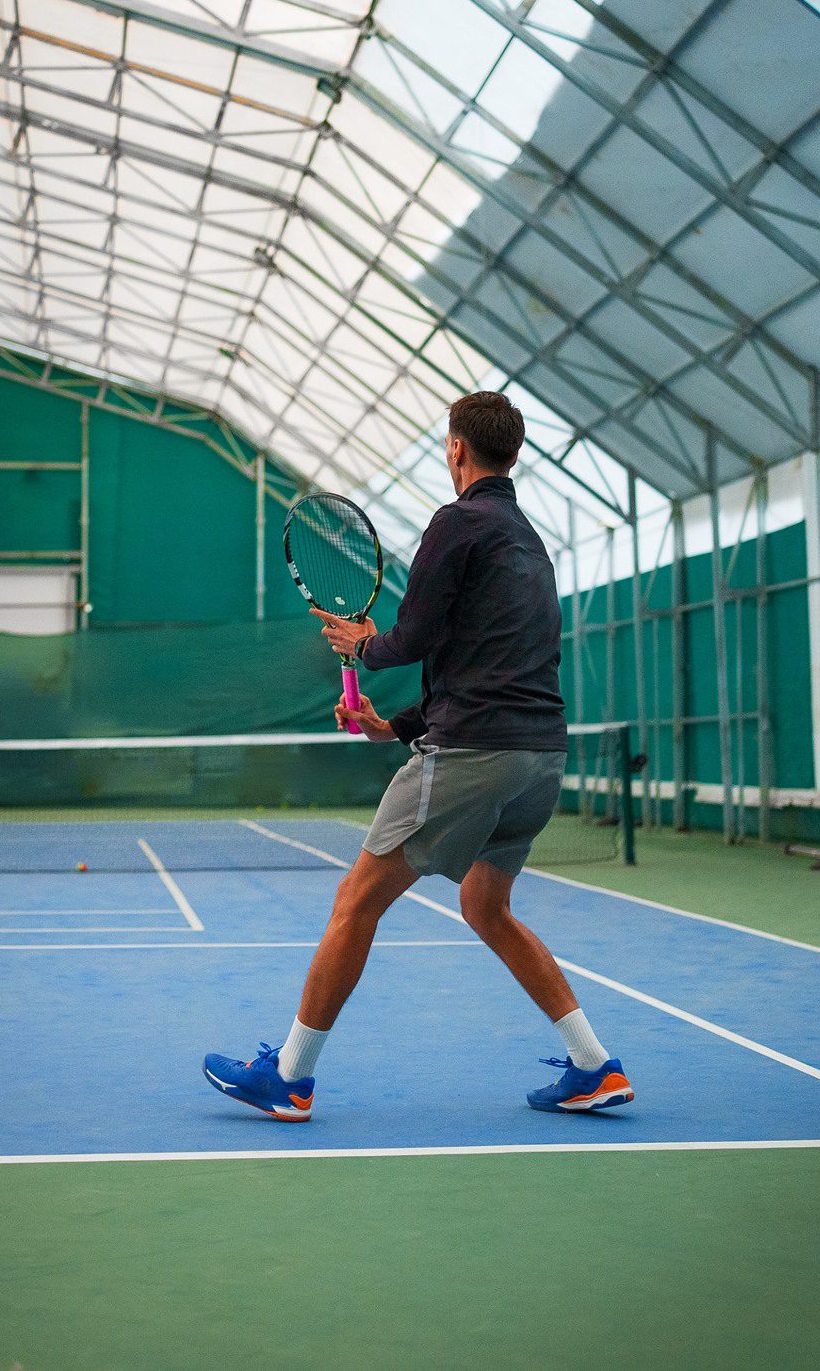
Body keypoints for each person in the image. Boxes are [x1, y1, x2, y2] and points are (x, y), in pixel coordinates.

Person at [203, 392, 630, 1122]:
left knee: (356, 901)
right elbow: (484, 659)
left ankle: (291, 1078)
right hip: (539, 759)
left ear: (457, 449)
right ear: (514, 453)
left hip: (474, 755)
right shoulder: (530, 542)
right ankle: (594, 1066)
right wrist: (393, 726)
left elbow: (418, 635)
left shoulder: (456, 523)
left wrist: (364, 645)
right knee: (486, 906)